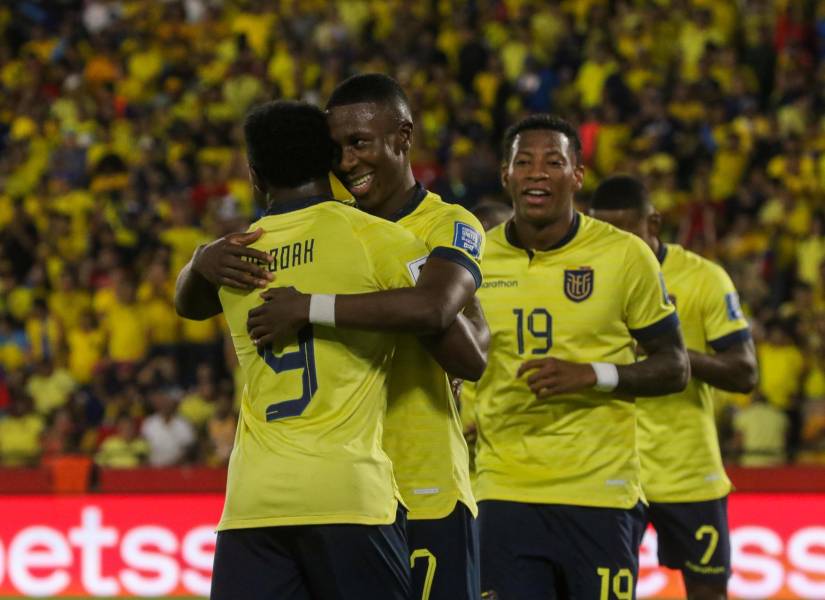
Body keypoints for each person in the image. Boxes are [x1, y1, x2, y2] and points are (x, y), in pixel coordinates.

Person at [188, 74, 489, 600]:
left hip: (423, 478)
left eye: (360, 144)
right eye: (337, 149)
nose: (348, 162)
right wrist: (200, 260)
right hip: (353, 489)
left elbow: (462, 340)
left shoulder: (444, 223)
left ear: (402, 137)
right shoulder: (343, 233)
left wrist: (312, 308)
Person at [471, 114, 689, 599]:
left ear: (577, 175)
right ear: (505, 175)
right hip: (505, 491)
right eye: (523, 162)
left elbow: (675, 366)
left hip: (600, 493)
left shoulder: (626, 255)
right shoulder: (475, 261)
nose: (537, 173)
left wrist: (595, 374)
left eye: (553, 161)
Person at [590, 174, 758, 600]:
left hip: (686, 472)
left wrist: (672, 352)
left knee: (707, 592)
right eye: (603, 233)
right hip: (608, 469)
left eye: (625, 233)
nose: (616, 246)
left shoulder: (703, 278)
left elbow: (744, 372)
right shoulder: (583, 279)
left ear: (654, 224)